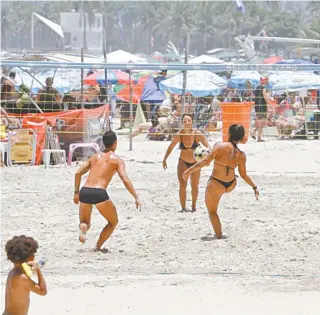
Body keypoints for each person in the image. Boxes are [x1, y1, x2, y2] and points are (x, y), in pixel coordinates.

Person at [182, 124, 259, 239]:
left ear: (228, 134)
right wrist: (254, 187)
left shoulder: (219, 146)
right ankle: (219, 234)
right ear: (241, 137)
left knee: (212, 212)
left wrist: (188, 171)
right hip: (231, 184)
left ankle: (219, 235)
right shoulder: (242, 155)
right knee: (230, 176)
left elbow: (204, 162)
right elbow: (243, 175)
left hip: (217, 184)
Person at [73, 131, 142, 253]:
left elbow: (78, 173)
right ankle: (98, 246)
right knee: (113, 222)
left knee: (85, 223)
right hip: (99, 192)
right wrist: (136, 196)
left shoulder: (95, 157)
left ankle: (83, 229)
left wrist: (76, 192)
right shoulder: (117, 160)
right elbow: (125, 179)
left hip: (85, 191)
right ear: (115, 143)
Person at [162, 113, 210, 212]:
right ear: (182, 123)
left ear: (192, 122)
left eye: (189, 121)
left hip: (195, 163)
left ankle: (193, 206)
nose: (187, 123)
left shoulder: (197, 134)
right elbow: (171, 146)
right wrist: (165, 159)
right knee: (182, 185)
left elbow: (207, 145)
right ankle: (183, 208)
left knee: (195, 186)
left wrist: (208, 158)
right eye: (184, 121)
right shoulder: (179, 134)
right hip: (183, 162)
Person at [3, 235, 47, 315]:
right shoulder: (22, 278)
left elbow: (27, 273)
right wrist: (38, 269)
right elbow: (43, 291)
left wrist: (34, 267)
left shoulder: (14, 273)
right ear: (30, 257)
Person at [251, 77, 271, 142]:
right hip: (262, 107)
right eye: (267, 80)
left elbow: (255, 98)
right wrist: (270, 105)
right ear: (265, 81)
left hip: (257, 107)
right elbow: (265, 98)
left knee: (261, 122)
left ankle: (253, 132)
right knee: (261, 123)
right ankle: (259, 138)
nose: (268, 81)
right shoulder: (263, 88)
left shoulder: (256, 88)